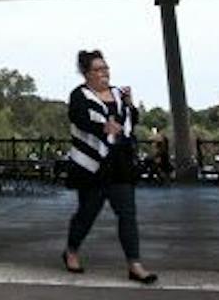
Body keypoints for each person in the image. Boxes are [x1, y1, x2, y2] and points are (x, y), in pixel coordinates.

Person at [62, 49, 157, 284]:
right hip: (92, 165)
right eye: (98, 69)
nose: (104, 73)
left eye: (106, 68)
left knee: (127, 214)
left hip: (120, 163)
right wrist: (103, 127)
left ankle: (134, 264)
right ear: (86, 73)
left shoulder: (118, 93)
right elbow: (78, 118)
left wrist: (130, 105)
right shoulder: (80, 95)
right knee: (87, 213)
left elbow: (131, 120)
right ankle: (71, 251)